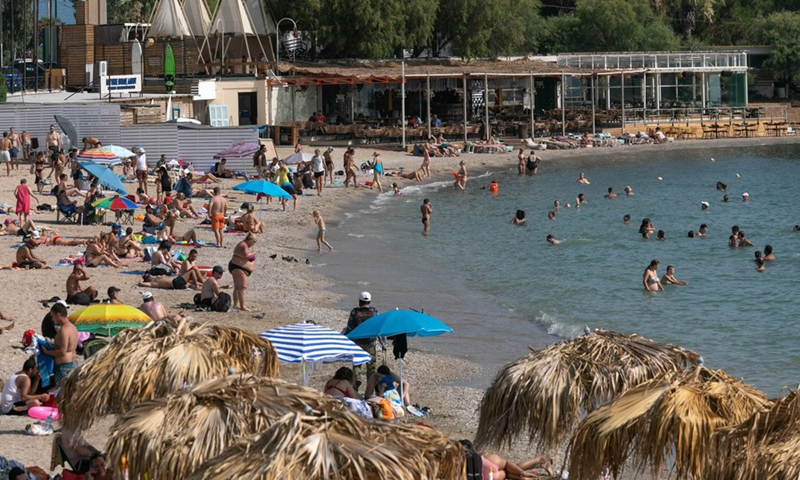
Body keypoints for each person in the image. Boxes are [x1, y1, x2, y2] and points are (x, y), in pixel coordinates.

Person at [342, 291, 379, 390]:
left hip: (358, 343)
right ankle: (370, 388)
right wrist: (383, 343)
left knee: (357, 365)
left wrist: (344, 338)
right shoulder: (374, 312)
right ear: (369, 301)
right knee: (371, 367)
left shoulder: (354, 312)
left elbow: (350, 327)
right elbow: (378, 328)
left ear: (359, 301)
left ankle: (357, 380)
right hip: (371, 343)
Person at [41, 302, 78, 385]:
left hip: (64, 367)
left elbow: (62, 352)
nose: (52, 319)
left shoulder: (64, 330)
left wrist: (47, 352)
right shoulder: (73, 327)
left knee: (61, 391)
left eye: (53, 316)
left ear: (58, 315)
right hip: (73, 363)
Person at [229, 232, 258, 311]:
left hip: (237, 266)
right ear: (250, 241)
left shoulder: (243, 244)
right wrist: (253, 252)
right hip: (238, 267)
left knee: (237, 287)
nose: (253, 245)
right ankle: (242, 306)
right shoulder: (244, 245)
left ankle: (236, 305)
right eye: (253, 243)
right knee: (242, 287)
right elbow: (246, 256)